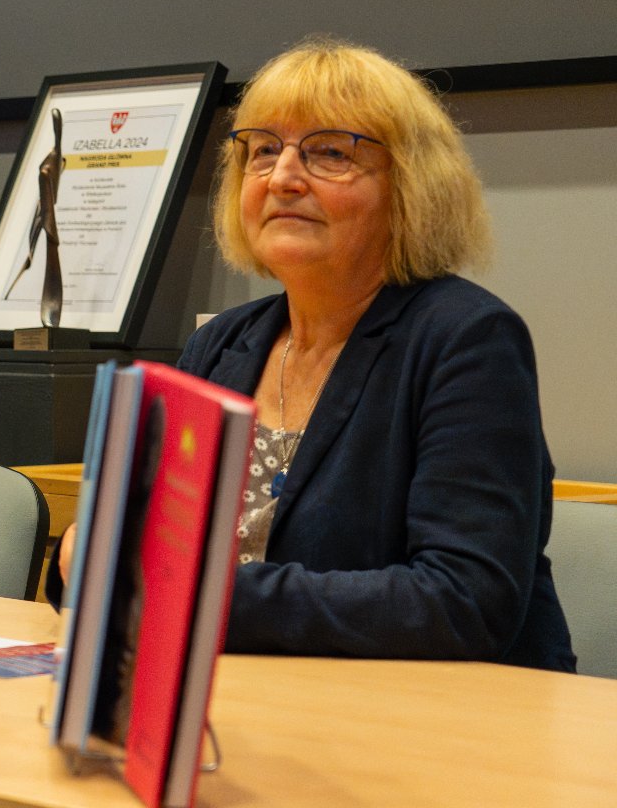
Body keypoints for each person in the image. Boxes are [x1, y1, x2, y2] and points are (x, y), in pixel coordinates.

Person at [59, 38, 575, 671]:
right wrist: (87, 553)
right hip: (238, 702)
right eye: (264, 150)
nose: (282, 177)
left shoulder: (467, 340)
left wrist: (187, 596)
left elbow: (462, 603)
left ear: (411, 186)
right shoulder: (220, 343)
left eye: (329, 152)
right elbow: (140, 546)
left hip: (433, 728)